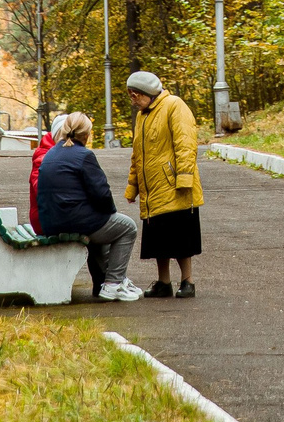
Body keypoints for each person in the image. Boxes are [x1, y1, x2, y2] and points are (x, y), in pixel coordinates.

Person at [34, 111, 141, 302]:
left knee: (104, 230)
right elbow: (102, 193)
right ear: (86, 134)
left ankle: (110, 281)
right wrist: (110, 213)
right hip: (75, 221)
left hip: (51, 222)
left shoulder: (51, 154)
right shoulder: (84, 155)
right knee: (126, 227)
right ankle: (113, 284)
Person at [124, 71, 203, 298]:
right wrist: (133, 187)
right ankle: (163, 282)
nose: (133, 100)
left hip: (175, 186)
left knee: (181, 238)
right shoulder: (142, 115)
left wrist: (184, 179)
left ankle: (187, 282)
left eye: (135, 95)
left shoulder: (174, 106)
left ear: (147, 93)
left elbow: (186, 144)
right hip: (153, 189)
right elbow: (137, 155)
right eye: (131, 95)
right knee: (158, 239)